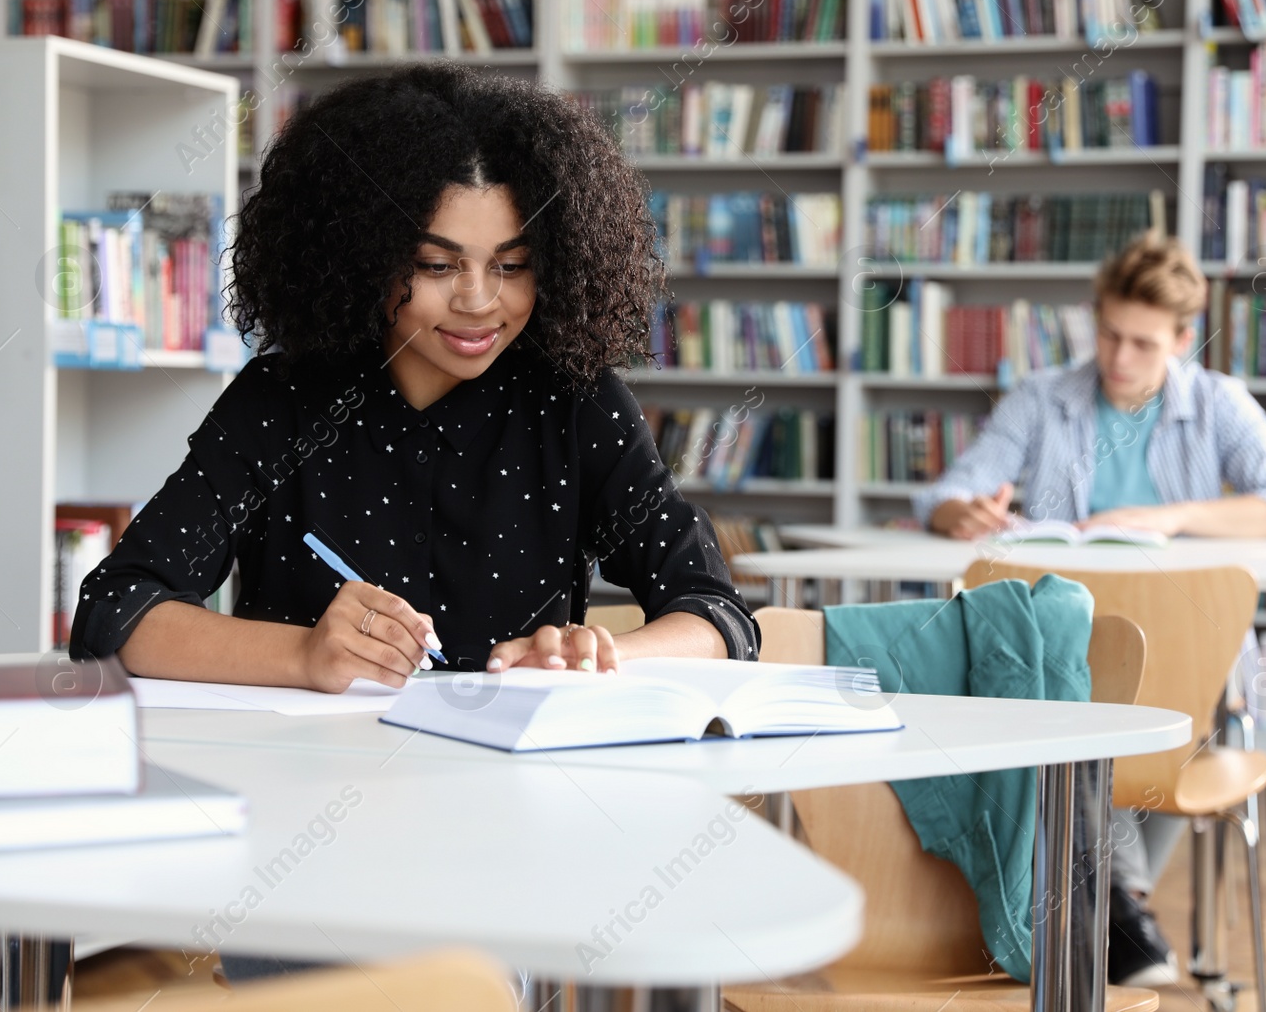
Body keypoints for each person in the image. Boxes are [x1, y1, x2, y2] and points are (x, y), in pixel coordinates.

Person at [70, 62, 759, 694]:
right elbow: (115, 610)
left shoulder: (576, 404)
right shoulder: (278, 403)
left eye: (512, 265)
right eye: (437, 265)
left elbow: (718, 617)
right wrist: (304, 656)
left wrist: (596, 654)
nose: (480, 300)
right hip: (303, 783)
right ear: (362, 255)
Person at [911, 231, 1266, 986]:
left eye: (1141, 342)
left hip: (1188, 666)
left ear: (1181, 337)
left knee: (1137, 715)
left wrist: (1172, 517)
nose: (1119, 357)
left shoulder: (1217, 403)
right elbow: (941, 492)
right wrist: (962, 513)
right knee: (1061, 700)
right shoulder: (1043, 399)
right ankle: (1121, 909)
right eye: (1108, 333)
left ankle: (1111, 909)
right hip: (1066, 653)